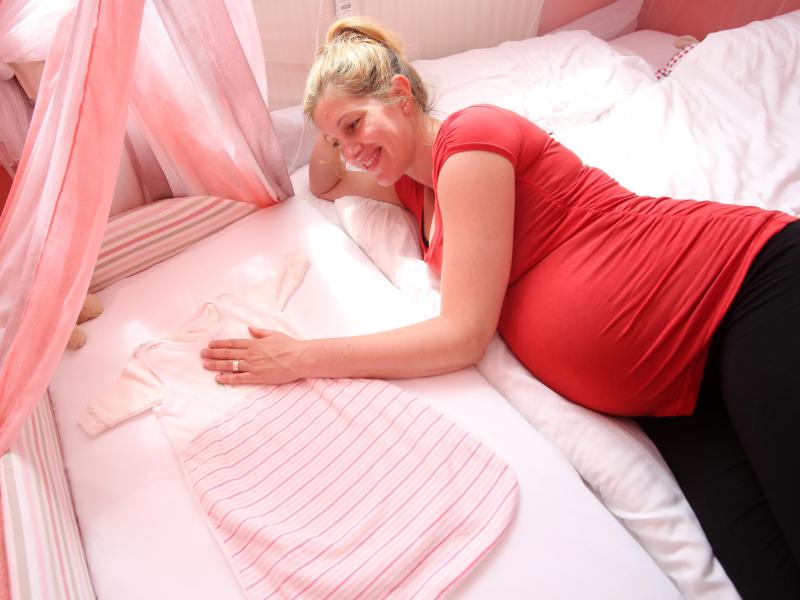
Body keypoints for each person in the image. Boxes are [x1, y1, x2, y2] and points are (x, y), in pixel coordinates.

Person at [201, 17, 800, 598]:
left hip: (739, 290)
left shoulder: (470, 139)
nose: (350, 151)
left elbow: (462, 335)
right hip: (676, 393)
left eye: (357, 125)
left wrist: (301, 357)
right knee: (766, 579)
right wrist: (329, 116)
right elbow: (324, 184)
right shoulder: (412, 188)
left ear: (402, 95)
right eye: (338, 139)